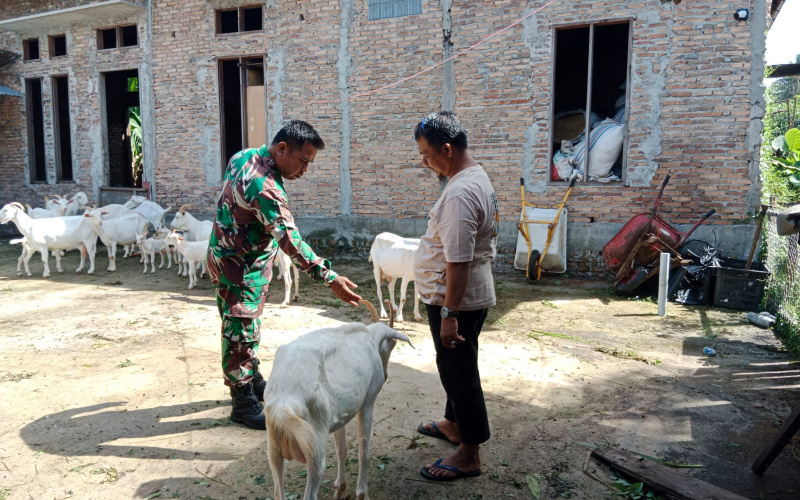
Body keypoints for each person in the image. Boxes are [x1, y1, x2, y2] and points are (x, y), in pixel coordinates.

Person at [207, 120, 362, 430]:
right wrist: (328, 277)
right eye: (303, 160)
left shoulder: (243, 155)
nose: (305, 169)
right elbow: (290, 241)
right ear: (281, 149)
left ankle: (251, 378)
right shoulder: (267, 187)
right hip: (242, 268)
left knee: (239, 324)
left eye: (310, 163)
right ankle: (242, 399)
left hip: (221, 256)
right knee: (240, 328)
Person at [413, 111, 499, 482]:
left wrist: (449, 313)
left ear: (447, 149)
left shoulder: (461, 192)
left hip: (457, 301)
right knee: (455, 367)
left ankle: (469, 452)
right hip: (465, 297)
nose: (424, 161)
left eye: (427, 154)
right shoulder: (474, 176)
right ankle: (452, 423)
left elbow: (458, 262)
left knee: (460, 373)